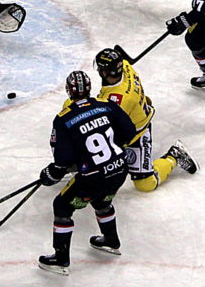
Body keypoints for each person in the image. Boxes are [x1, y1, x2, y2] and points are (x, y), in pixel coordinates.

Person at [37, 71, 137, 276]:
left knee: (62, 206)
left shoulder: (64, 118)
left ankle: (60, 259)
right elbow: (129, 132)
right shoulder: (107, 105)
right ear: (90, 88)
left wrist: (52, 173)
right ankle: (110, 240)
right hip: (119, 169)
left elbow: (62, 160)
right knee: (101, 200)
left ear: (68, 91)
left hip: (93, 177)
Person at [94, 47, 198, 192]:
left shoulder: (118, 100)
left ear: (105, 72)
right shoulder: (124, 66)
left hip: (137, 133)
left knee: (145, 184)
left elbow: (110, 129)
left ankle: (174, 155)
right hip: (135, 117)